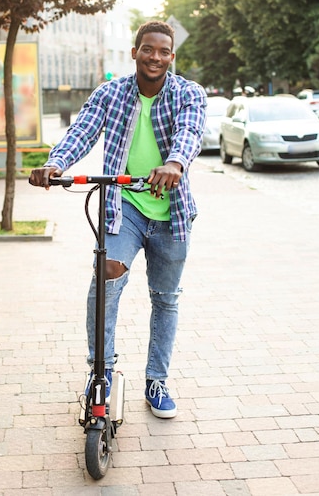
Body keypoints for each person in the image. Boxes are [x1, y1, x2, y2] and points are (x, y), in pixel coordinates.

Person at [29, 21, 207, 418]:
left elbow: (190, 133)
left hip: (172, 211)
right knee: (107, 272)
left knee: (165, 299)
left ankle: (156, 380)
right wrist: (55, 163)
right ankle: (101, 371)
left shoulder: (188, 94)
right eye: (148, 49)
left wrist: (175, 163)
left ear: (171, 57)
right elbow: (83, 131)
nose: (155, 57)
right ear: (135, 52)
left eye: (163, 51)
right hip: (123, 203)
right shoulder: (111, 93)